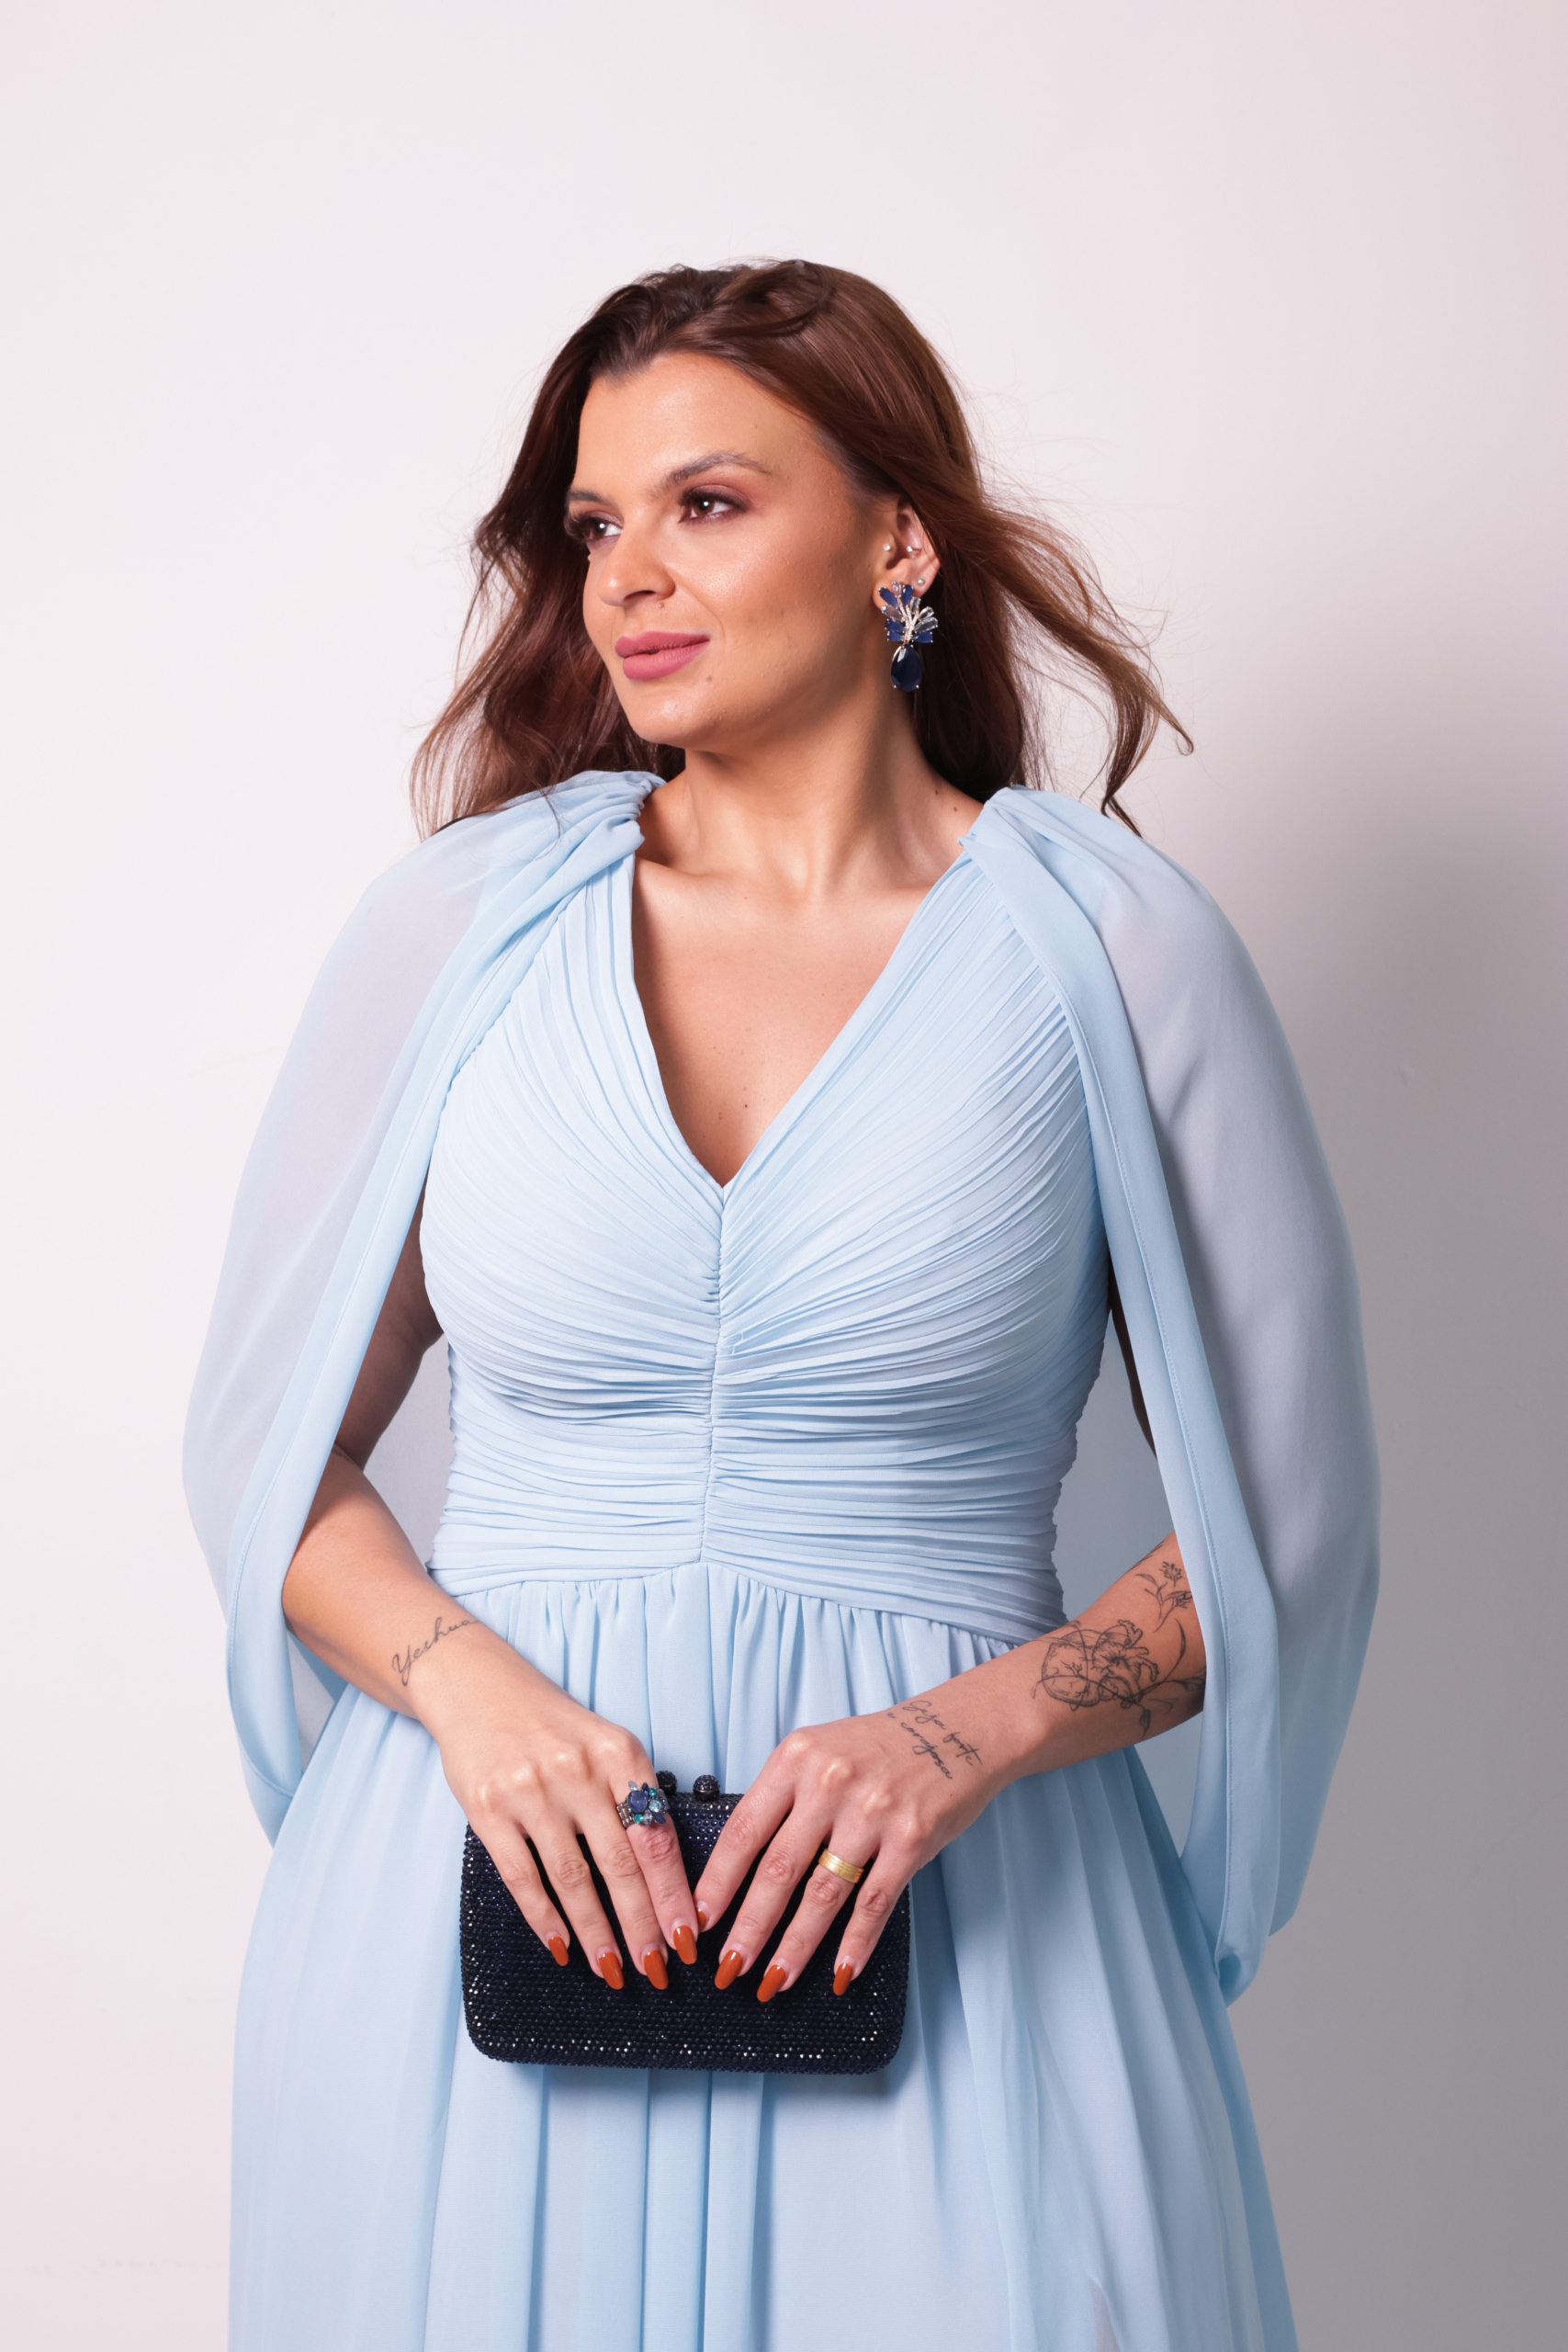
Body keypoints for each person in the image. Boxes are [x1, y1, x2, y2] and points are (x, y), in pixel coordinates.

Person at [186, 260, 1379, 2352]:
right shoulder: (457, 932)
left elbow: (1279, 1539)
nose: (629, 577)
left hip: (976, 1923)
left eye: (708, 504)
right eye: (594, 526)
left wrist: (962, 1733)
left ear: (898, 537)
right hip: (475, 1918)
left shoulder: (1112, 951)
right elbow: (273, 1457)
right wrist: (474, 1693)